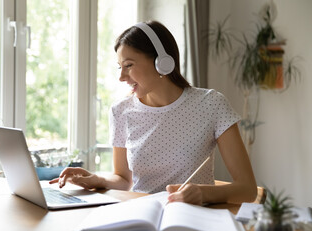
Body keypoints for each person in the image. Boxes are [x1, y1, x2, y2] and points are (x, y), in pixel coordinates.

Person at [50, 20, 257, 205]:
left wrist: (204, 193)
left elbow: (247, 190)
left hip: (192, 219)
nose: (121, 76)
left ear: (162, 62)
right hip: (141, 216)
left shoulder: (212, 104)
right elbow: (123, 179)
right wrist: (98, 180)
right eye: (119, 67)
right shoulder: (120, 111)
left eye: (128, 65)